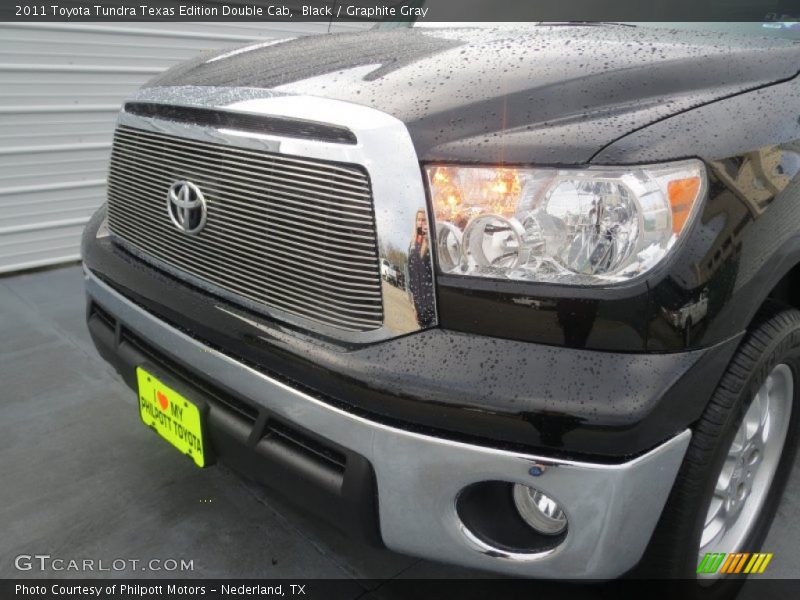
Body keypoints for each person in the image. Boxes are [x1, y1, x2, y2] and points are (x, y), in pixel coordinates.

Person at [407, 209, 436, 327]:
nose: (421, 223)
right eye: (418, 220)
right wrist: (414, 307)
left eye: (424, 220)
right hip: (420, 308)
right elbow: (412, 278)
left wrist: (429, 239)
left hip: (432, 306)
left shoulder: (432, 243)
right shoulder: (412, 245)